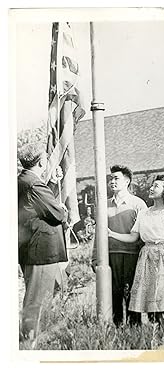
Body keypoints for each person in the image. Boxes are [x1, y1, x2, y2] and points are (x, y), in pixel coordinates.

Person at [108, 175, 164, 326]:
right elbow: (133, 237)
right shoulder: (143, 213)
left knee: (160, 296)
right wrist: (110, 233)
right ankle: (149, 330)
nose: (151, 188)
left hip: (163, 255)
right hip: (146, 256)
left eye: (156, 186)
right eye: (152, 186)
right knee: (148, 295)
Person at [18, 143, 68, 341]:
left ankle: (33, 338)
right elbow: (57, 214)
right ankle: (31, 341)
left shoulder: (24, 180)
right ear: (40, 161)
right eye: (46, 158)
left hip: (34, 249)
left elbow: (41, 207)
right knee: (38, 299)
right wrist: (63, 209)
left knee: (36, 297)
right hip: (41, 251)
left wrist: (53, 185)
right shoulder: (34, 183)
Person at [91, 165, 147, 326]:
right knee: (113, 294)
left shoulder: (138, 204)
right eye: (111, 178)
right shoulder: (104, 205)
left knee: (131, 294)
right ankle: (117, 329)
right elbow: (98, 233)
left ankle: (135, 329)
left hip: (132, 256)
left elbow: (142, 234)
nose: (112, 181)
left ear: (127, 181)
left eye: (116, 178)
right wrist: (95, 256)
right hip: (109, 256)